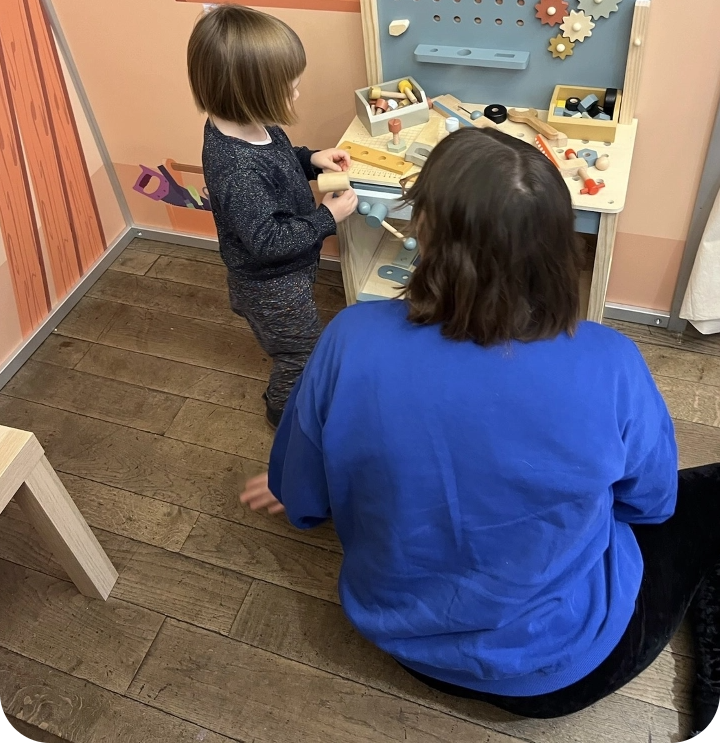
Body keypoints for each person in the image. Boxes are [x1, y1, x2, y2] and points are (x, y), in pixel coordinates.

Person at [242, 126, 719, 739]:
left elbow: (302, 500)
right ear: (557, 246)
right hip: (565, 665)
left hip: (404, 644)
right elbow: (649, 504)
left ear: (424, 232)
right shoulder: (612, 361)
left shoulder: (348, 338)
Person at [187, 4, 358, 428]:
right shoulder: (236, 167)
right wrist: (326, 217)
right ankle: (283, 412)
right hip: (270, 285)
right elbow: (267, 242)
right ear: (251, 92)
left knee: (301, 343)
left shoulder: (253, 125)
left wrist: (312, 158)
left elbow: (280, 159)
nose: (297, 95)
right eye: (291, 88)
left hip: (288, 275)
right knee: (298, 353)